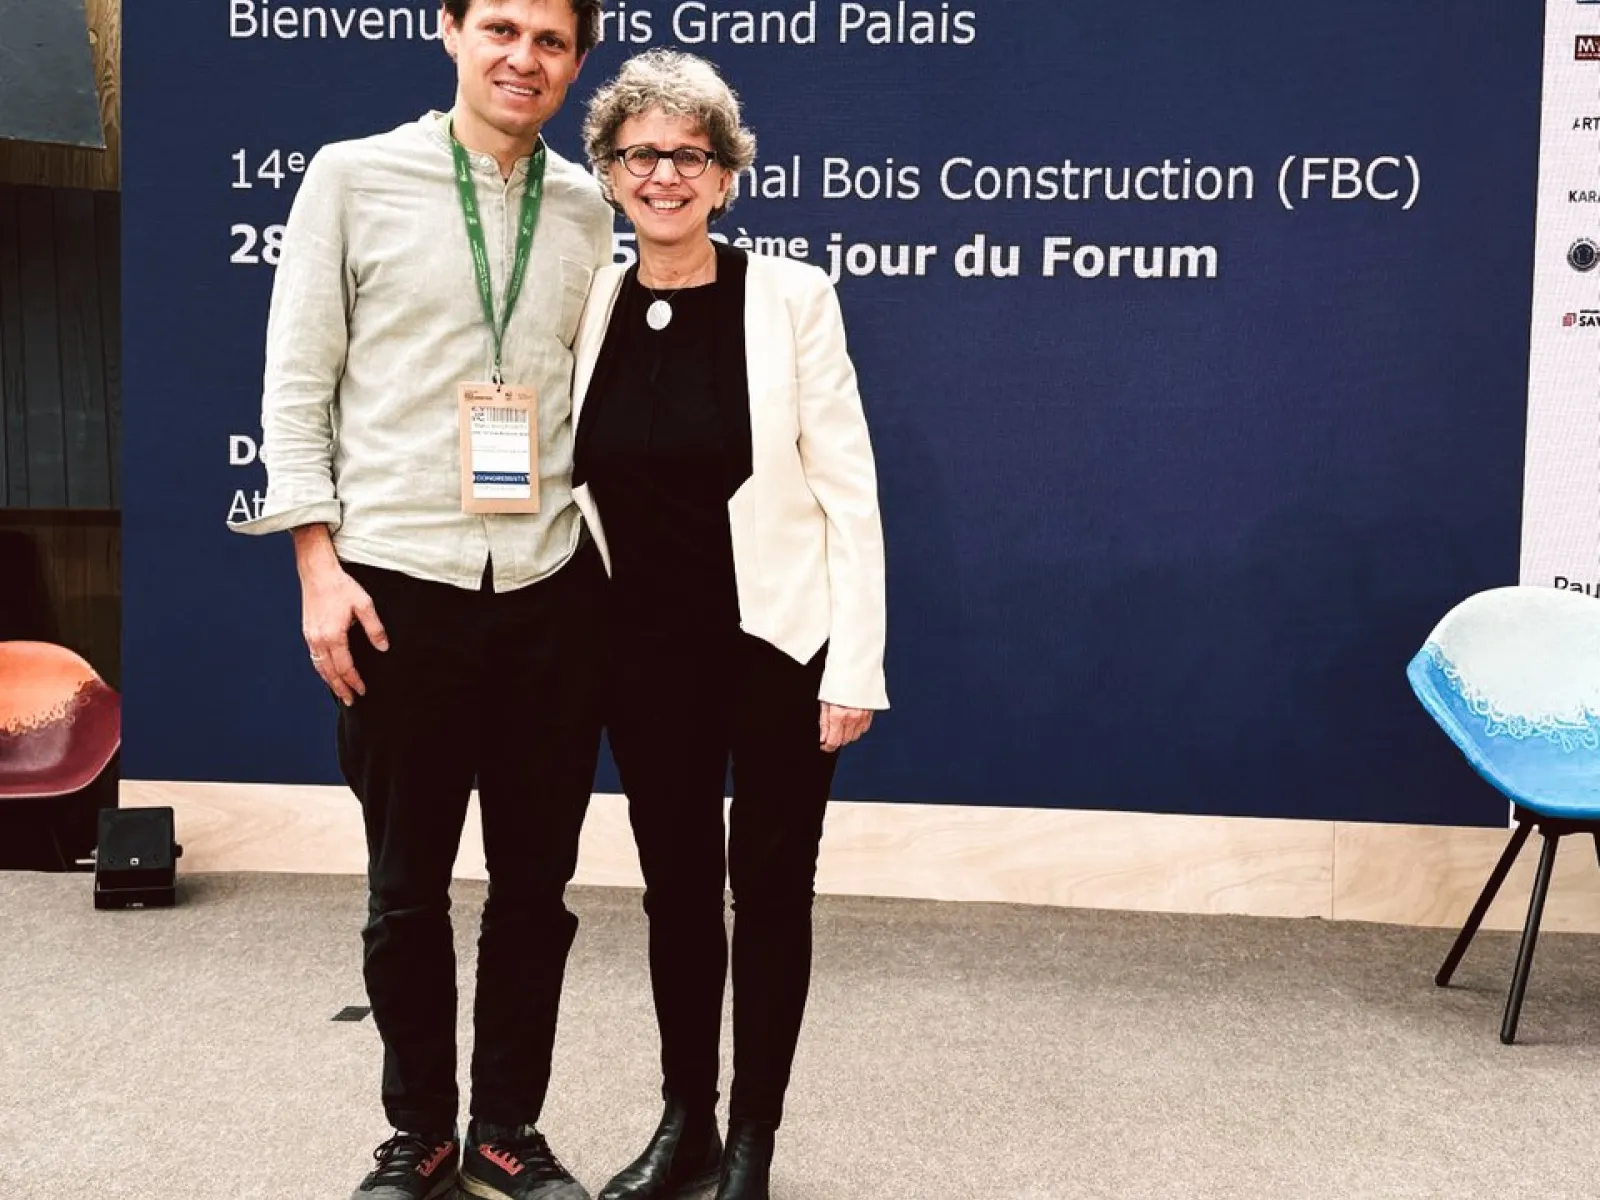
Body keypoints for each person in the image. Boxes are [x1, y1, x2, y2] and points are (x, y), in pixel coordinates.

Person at [231, 3, 613, 1198]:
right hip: (398, 585)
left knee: (535, 890)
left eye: (550, 40)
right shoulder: (353, 178)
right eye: (498, 27)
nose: (523, 58)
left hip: (550, 587)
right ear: (447, 32)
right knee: (405, 889)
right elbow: (297, 381)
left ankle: (504, 1123)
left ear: (576, 60)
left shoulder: (588, 210)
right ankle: (418, 1132)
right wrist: (315, 564)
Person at [571, 49, 890, 1200]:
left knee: (771, 891)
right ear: (607, 173)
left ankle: (754, 1136)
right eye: (640, 154)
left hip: (775, 650)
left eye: (689, 155)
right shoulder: (586, 300)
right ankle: (684, 1124)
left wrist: (853, 663)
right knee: (672, 896)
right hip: (637, 656)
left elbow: (848, 491)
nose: (664, 175)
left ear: (725, 175)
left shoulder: (792, 296)